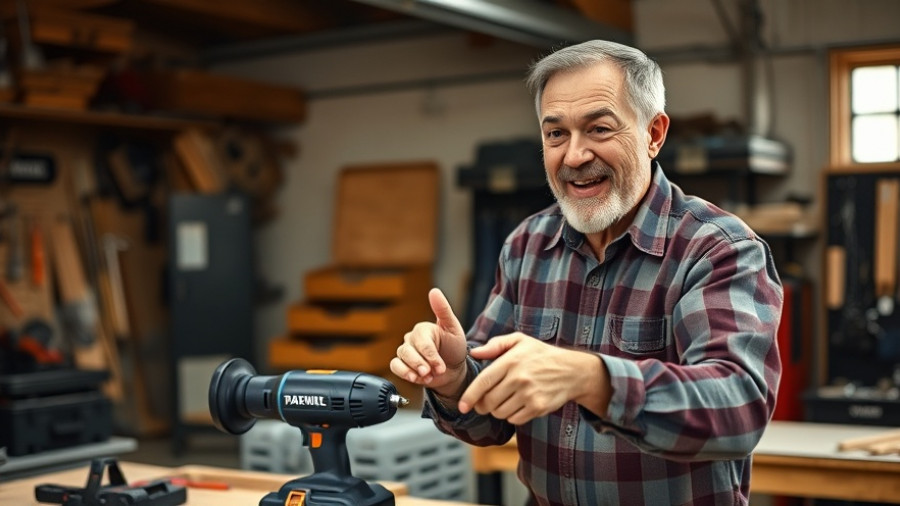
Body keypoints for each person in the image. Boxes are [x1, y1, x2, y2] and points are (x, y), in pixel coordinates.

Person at [391, 39, 783, 505]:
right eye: (555, 134)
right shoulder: (527, 245)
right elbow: (489, 422)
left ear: (653, 133)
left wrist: (593, 380)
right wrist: (456, 378)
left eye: (599, 129)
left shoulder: (716, 249)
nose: (574, 156)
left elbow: (739, 409)